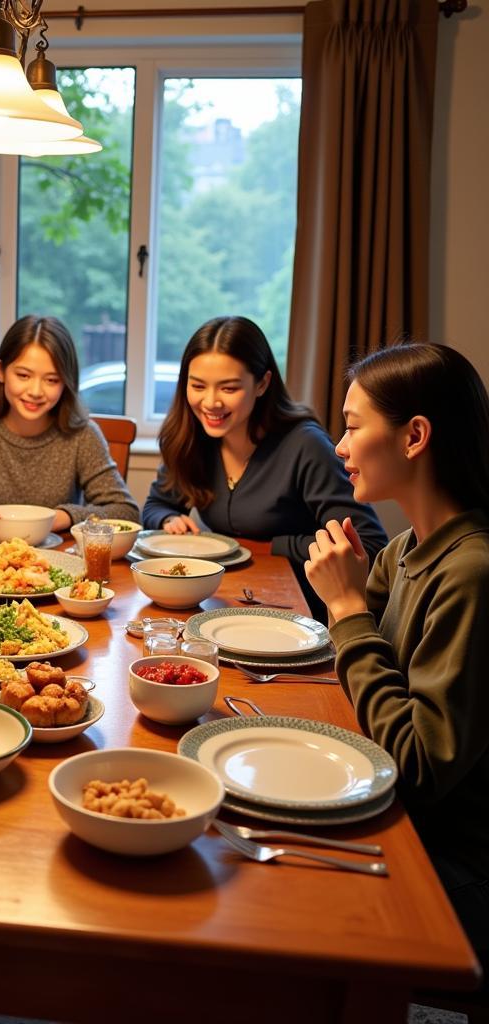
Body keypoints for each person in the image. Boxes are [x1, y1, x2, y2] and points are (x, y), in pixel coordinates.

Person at [304, 343, 489, 975]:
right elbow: (355, 686)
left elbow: (414, 763)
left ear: (414, 436)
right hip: (405, 818)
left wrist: (349, 608)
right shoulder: (405, 549)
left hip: (455, 857)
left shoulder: (470, 572)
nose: (339, 445)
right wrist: (348, 607)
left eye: (353, 426)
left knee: (275, 902)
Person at [141, 316, 387, 618]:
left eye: (229, 389)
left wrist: (273, 547)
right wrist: (167, 519)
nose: (210, 402)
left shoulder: (305, 445)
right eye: (197, 386)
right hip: (228, 600)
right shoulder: (191, 437)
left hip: (301, 610)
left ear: (262, 384)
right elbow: (154, 505)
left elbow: (368, 545)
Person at [0, 315, 138, 534]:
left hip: (58, 562)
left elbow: (125, 511)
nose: (35, 391)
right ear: (1, 371)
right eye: (23, 375)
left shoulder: (83, 435)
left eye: (52, 380)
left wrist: (63, 517)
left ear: (66, 383)